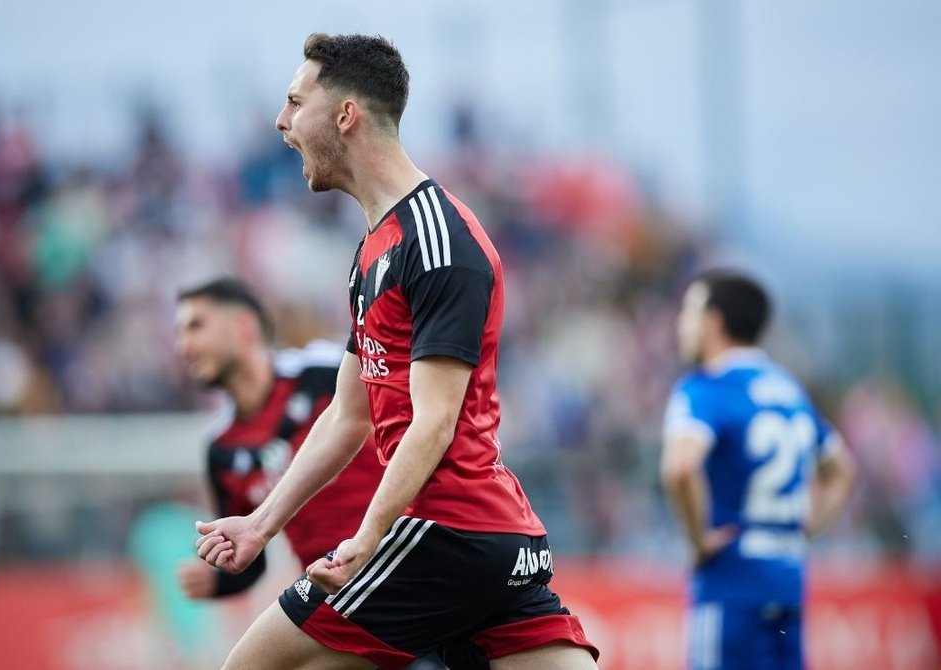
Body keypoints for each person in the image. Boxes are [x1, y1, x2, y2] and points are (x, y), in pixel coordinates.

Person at [195, 33, 599, 670]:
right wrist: (259, 523)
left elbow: (435, 421)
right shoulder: (371, 251)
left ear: (346, 114)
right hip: (489, 538)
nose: (282, 122)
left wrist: (369, 534)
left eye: (296, 102)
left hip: (445, 530)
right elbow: (347, 416)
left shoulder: (437, 240)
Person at [660, 270, 857, 670]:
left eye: (689, 312)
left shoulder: (706, 388)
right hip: (787, 580)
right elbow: (843, 470)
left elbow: (680, 468)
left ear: (714, 322)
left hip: (732, 582)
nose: (681, 324)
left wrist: (697, 540)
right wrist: (805, 528)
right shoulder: (789, 391)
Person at [174, 277, 386, 596]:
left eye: (196, 326)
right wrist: (219, 579)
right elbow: (248, 559)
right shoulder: (220, 448)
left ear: (243, 326)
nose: (183, 347)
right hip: (330, 587)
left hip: (398, 551)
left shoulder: (324, 373)